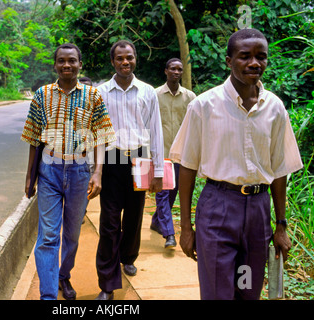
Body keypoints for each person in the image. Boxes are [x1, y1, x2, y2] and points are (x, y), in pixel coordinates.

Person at [169, 28, 303, 300]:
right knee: (219, 292)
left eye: (260, 57)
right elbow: (188, 166)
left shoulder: (275, 108)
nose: (254, 63)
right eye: (245, 56)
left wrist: (280, 225)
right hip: (219, 207)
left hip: (257, 213)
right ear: (229, 61)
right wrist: (185, 227)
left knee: (247, 289)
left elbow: (279, 171)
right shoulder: (205, 106)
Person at [21, 43, 116, 300]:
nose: (66, 65)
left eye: (71, 60)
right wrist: (30, 176)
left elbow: (102, 138)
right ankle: (48, 294)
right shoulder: (42, 95)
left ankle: (63, 276)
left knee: (72, 235)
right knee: (49, 236)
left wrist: (97, 173)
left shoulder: (93, 96)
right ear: (55, 65)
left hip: (80, 172)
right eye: (61, 61)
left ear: (79, 64)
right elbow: (33, 138)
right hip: (49, 170)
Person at [95, 40, 164, 300]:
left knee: (134, 217)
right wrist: (97, 170)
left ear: (136, 59)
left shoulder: (147, 92)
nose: (126, 62)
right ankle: (107, 284)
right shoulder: (100, 93)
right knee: (109, 223)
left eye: (130, 57)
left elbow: (155, 130)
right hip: (112, 161)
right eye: (121, 58)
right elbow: (98, 133)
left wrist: (158, 171)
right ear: (112, 61)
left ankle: (128, 257)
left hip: (140, 160)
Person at [151, 58, 196, 249]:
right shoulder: (154, 95)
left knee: (172, 194)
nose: (176, 72)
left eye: (179, 69)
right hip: (160, 155)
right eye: (173, 69)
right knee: (162, 193)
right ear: (166, 71)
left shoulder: (190, 97)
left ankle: (156, 221)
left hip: (180, 155)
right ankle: (169, 234)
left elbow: (194, 126)